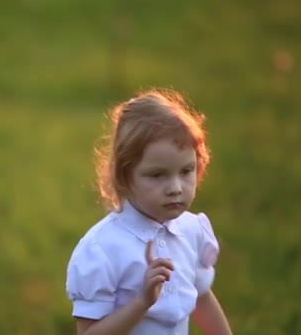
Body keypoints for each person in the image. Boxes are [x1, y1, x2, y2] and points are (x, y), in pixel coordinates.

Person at [65, 88, 232, 334]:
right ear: (125, 176)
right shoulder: (102, 249)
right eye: (157, 175)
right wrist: (142, 302)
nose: (175, 188)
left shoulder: (191, 231)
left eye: (186, 171)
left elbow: (202, 298)